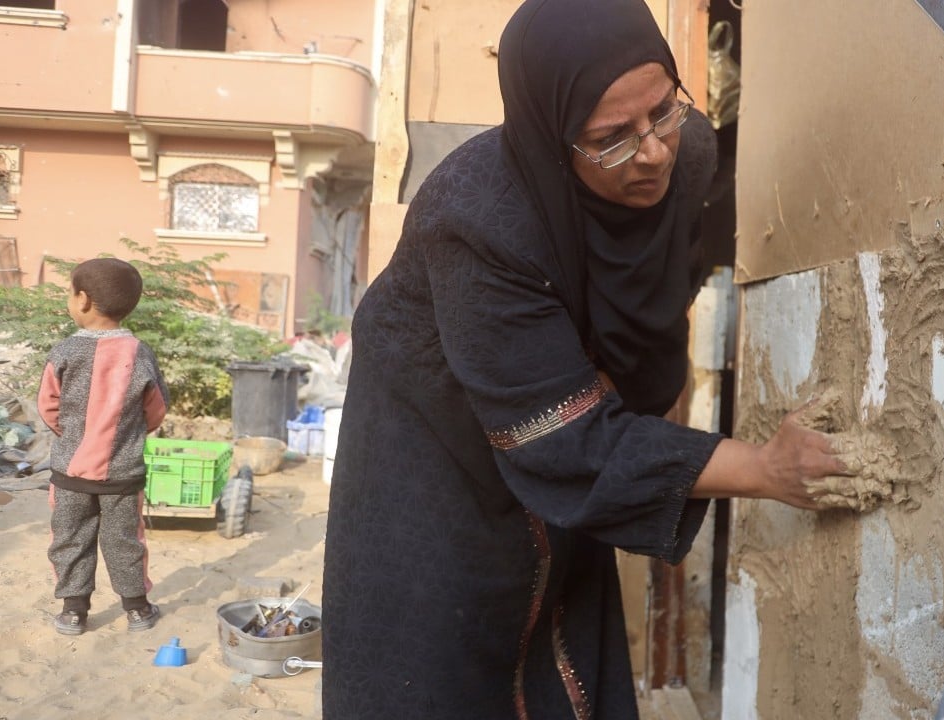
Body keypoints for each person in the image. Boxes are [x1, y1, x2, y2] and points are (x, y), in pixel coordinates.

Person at [322, 0, 858, 717]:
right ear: (554, 138)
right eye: (610, 139)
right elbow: (567, 441)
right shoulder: (476, 222)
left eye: (663, 112)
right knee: (443, 655)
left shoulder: (685, 155)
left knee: (565, 646)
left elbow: (654, 304)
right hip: (436, 458)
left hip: (564, 428)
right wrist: (763, 469)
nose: (653, 152)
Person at [38, 257, 169, 636]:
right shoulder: (140, 352)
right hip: (123, 475)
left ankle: (73, 612)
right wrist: (128, 435)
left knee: (69, 539)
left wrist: (73, 437)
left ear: (82, 300)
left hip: (70, 473)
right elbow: (157, 408)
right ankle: (137, 610)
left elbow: (48, 405)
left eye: (69, 294)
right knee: (125, 540)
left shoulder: (63, 351)